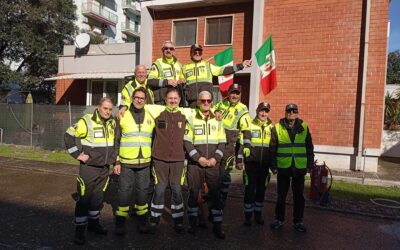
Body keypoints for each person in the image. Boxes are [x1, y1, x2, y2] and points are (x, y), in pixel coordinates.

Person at [64, 97, 116, 245]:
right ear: (98, 107)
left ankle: (94, 225)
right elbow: (68, 136)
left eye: (110, 109)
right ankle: (79, 232)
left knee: (97, 199)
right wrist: (77, 154)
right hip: (89, 168)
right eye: (105, 108)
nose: (107, 111)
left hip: (104, 168)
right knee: (84, 199)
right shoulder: (86, 121)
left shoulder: (112, 122)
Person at [184, 91, 227, 239]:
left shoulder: (218, 120)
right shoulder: (191, 119)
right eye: (203, 101)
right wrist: (198, 158)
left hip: (213, 164)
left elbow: (222, 142)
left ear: (212, 102)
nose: (206, 103)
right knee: (193, 194)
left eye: (209, 100)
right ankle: (193, 224)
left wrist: (216, 159)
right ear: (198, 102)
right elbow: (187, 142)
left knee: (216, 195)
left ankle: (217, 227)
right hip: (196, 164)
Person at [113, 88, 155, 236]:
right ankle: (120, 223)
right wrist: (116, 161)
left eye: (142, 98)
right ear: (131, 98)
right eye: (136, 97)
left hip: (144, 162)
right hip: (126, 162)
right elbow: (116, 140)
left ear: (145, 100)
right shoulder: (122, 115)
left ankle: (142, 221)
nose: (139, 100)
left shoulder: (151, 114)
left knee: (143, 193)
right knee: (124, 193)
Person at [148, 88, 188, 234]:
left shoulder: (185, 113)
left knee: (177, 189)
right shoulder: (156, 110)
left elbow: (203, 111)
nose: (173, 101)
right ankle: (154, 219)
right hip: (160, 158)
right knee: (159, 189)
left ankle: (178, 220)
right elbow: (138, 104)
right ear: (165, 99)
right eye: (170, 98)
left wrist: (216, 112)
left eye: (175, 98)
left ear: (179, 100)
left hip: (178, 159)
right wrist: (124, 107)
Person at [269, 103, 314, 232]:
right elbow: (272, 148)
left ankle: (298, 221)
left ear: (297, 113)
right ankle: (279, 219)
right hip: (283, 166)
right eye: (289, 111)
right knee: (281, 195)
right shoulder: (277, 127)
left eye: (294, 111)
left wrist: (310, 164)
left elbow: (309, 147)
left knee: (299, 196)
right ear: (285, 112)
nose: (291, 113)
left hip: (299, 167)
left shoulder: (304, 127)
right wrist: (273, 165)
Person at [215, 83, 251, 209]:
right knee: (213, 175)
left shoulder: (243, 109)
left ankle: (221, 203)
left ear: (240, 95)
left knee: (224, 175)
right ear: (228, 93)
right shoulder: (221, 103)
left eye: (237, 93)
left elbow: (246, 131)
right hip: (215, 144)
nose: (234, 95)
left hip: (229, 147)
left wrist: (241, 155)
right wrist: (216, 112)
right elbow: (214, 110)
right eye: (232, 92)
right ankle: (213, 200)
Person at [236, 102, 273, 226]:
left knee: (261, 191)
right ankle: (247, 216)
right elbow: (241, 143)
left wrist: (274, 164)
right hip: (251, 165)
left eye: (266, 111)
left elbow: (274, 147)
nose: (263, 113)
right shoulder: (249, 125)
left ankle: (258, 215)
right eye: (261, 110)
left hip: (264, 166)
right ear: (257, 111)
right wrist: (239, 160)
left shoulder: (272, 127)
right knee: (249, 190)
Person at [182, 44, 252, 107]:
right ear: (190, 54)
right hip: (192, 103)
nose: (197, 54)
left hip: (206, 102)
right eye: (195, 52)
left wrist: (241, 66)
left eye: (199, 52)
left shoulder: (207, 65)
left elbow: (223, 70)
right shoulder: (184, 68)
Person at [148, 40, 186, 105]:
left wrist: (182, 81)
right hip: (162, 100)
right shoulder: (157, 64)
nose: (168, 50)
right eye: (166, 48)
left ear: (173, 50)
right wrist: (166, 82)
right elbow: (150, 81)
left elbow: (182, 79)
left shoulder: (179, 64)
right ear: (162, 50)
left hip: (175, 100)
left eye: (171, 49)